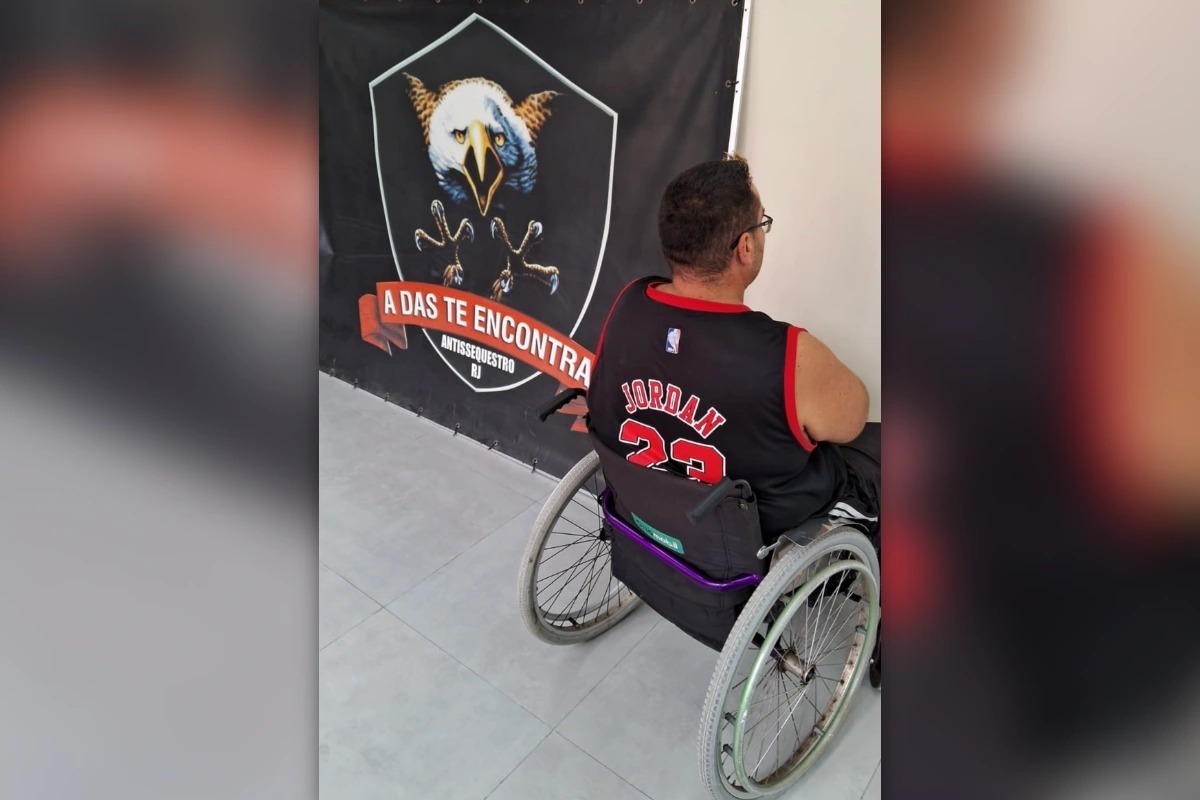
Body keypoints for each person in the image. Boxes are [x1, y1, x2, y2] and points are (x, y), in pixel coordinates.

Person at [588, 154, 880, 543]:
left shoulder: (628, 304)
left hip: (652, 514)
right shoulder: (789, 354)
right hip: (751, 541)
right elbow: (852, 421)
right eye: (762, 223)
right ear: (745, 247)